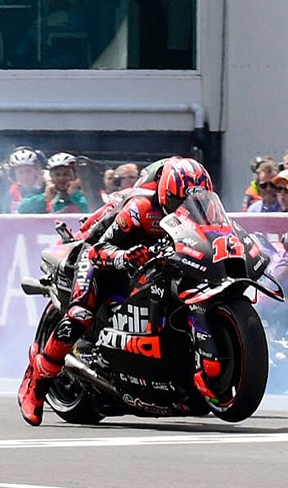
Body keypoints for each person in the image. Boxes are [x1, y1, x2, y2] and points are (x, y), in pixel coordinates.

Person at [18, 157, 213, 425]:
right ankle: (36, 385)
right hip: (102, 253)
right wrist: (124, 258)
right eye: (181, 202)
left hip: (148, 262)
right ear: (167, 194)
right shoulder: (141, 208)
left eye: (195, 202)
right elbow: (99, 249)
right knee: (80, 314)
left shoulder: (200, 210)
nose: (187, 209)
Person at [18, 152, 89, 214]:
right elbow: (22, 209)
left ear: (75, 176)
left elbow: (95, 210)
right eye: (57, 175)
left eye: (66, 174)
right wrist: (44, 198)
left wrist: (75, 195)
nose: (61, 178)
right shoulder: (50, 199)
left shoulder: (88, 195)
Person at [7, 146, 46, 213]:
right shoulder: (12, 192)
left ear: (38, 170)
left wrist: (36, 189)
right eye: (20, 172)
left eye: (28, 171)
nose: (25, 176)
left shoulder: (47, 190)